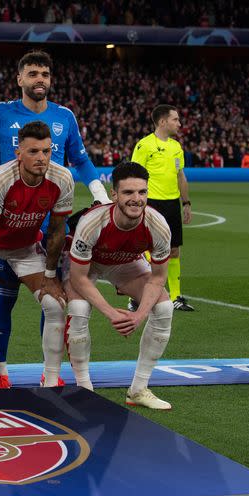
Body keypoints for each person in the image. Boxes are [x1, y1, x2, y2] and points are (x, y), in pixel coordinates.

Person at [0, 49, 111, 389]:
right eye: (32, 73)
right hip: (6, 219)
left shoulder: (65, 117)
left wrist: (100, 194)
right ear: (19, 79)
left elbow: (82, 159)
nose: (39, 79)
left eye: (44, 74)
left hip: (45, 227)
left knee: (53, 296)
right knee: (3, 297)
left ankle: (51, 373)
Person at [65, 162, 173, 409]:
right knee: (80, 309)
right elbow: (78, 277)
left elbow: (158, 278)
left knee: (164, 308)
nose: (136, 199)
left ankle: (138, 390)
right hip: (87, 265)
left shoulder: (158, 225)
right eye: (128, 193)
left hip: (124, 262)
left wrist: (138, 315)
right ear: (114, 194)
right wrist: (112, 313)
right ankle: (84, 388)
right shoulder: (93, 222)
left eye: (142, 192)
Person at [0, 121, 74, 387]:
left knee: (55, 305)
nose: (41, 158)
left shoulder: (62, 178)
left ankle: (51, 379)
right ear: (19, 153)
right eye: (33, 152)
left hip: (25, 248)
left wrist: (51, 276)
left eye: (46, 151)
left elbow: (55, 231)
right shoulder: (0, 177)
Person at [131, 104, 193, 311]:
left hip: (172, 204)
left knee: (174, 250)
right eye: (175, 119)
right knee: (147, 250)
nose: (179, 123)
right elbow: (134, 175)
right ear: (163, 121)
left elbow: (180, 176)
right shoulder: (144, 145)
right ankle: (138, 296)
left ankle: (176, 296)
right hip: (151, 204)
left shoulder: (176, 147)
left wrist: (186, 203)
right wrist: (136, 203)